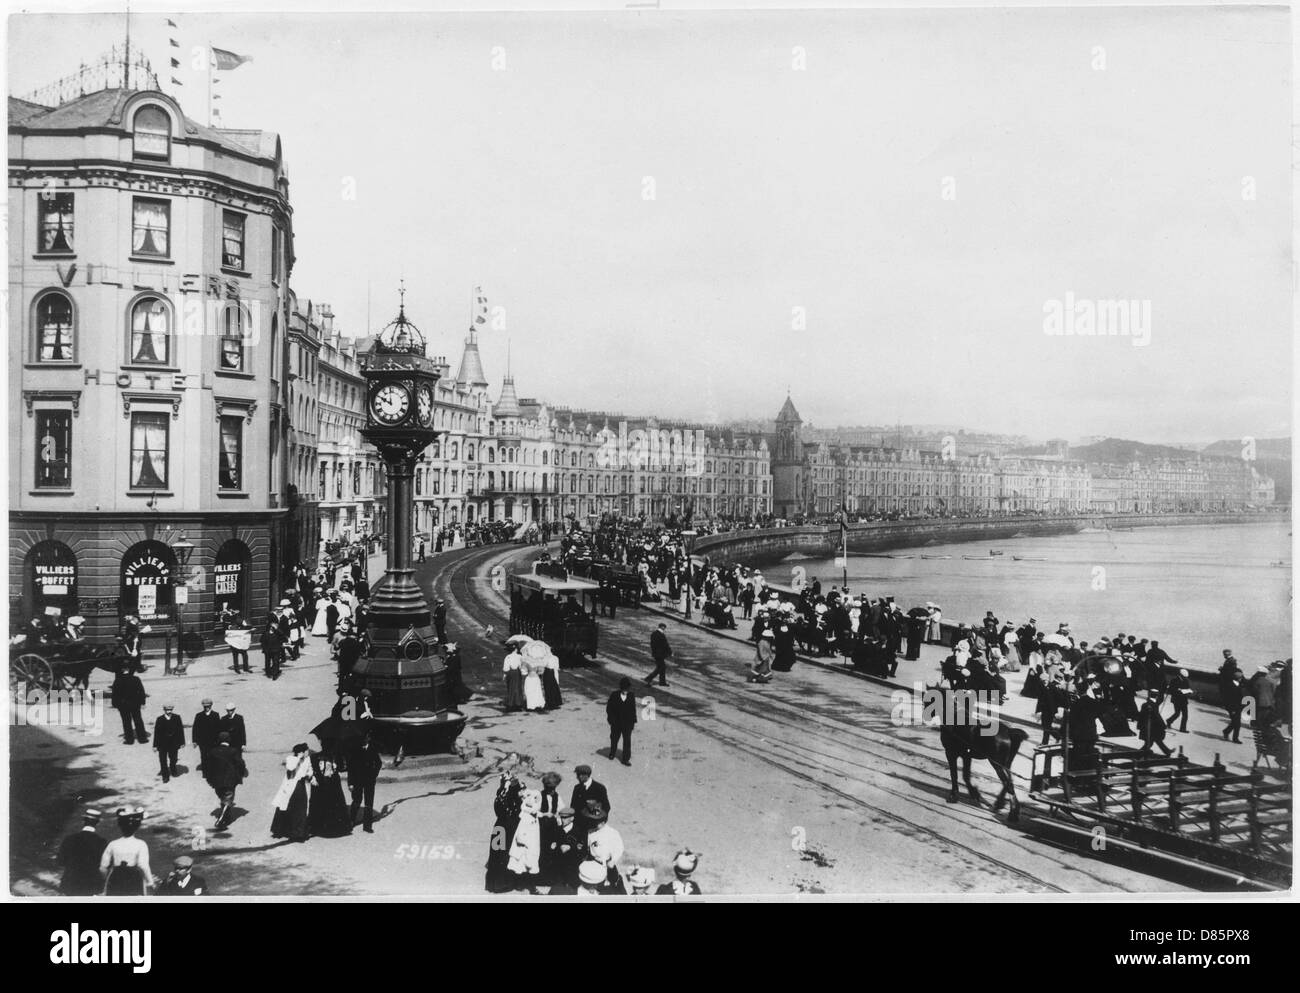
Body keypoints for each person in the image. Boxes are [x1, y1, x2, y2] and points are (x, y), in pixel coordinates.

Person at [100, 808, 154, 896]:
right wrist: (150, 882)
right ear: (136, 827)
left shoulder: (113, 844)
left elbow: (103, 867)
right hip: (133, 879)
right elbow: (142, 865)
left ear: (121, 826)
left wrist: (107, 880)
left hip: (115, 878)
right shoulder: (140, 844)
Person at [485, 772, 523, 893]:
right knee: (503, 854)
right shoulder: (507, 796)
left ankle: (499, 883)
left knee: (500, 855)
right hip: (506, 828)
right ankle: (502, 883)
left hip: (501, 828)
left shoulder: (503, 796)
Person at [58, 807, 107, 896]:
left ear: (84, 820)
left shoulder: (69, 839)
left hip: (71, 882)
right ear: (97, 823)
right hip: (90, 884)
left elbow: (60, 861)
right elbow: (103, 866)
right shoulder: (101, 842)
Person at [204, 732, 247, 831]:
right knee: (228, 798)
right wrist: (242, 772)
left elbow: (207, 766)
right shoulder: (233, 751)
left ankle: (226, 817)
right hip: (230, 779)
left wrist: (209, 778)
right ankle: (221, 819)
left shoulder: (213, 751)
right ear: (229, 740)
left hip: (216, 780)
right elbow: (240, 763)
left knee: (223, 797)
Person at [271, 746, 314, 843]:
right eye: (306, 751)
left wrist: (309, 775)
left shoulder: (307, 760)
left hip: (300, 785)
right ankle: (283, 830)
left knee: (300, 808)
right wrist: (298, 758)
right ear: (301, 752)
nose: (308, 752)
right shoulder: (291, 759)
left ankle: (297, 833)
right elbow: (291, 767)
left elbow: (310, 770)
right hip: (290, 785)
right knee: (287, 807)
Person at [308, 750, 353, 838]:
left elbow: (341, 768)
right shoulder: (316, 757)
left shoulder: (334, 756)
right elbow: (314, 770)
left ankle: (332, 827)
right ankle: (319, 827)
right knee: (321, 804)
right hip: (322, 783)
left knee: (333, 805)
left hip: (332, 782)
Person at [507, 789, 543, 892]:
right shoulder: (526, 818)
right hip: (525, 846)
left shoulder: (533, 816)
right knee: (522, 864)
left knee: (528, 863)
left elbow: (538, 813)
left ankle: (523, 884)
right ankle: (525, 885)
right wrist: (527, 844)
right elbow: (520, 836)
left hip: (531, 844)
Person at [348, 735, 383, 833]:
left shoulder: (373, 749)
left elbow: (379, 763)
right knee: (356, 800)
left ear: (368, 738)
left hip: (369, 781)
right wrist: (350, 783)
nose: (363, 740)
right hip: (357, 780)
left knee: (369, 803)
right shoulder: (355, 749)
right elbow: (350, 768)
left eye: (365, 738)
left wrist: (374, 775)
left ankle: (367, 826)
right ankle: (351, 821)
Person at [569, 765, 610, 840]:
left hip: (594, 825)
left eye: (578, 775)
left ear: (585, 775)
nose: (577, 777)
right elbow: (573, 806)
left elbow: (606, 806)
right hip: (579, 824)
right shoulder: (577, 788)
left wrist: (601, 822)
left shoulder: (600, 788)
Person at [111, 666, 149, 745]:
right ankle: (142, 738)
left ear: (121, 670)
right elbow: (141, 691)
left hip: (123, 704)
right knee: (138, 720)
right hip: (135, 703)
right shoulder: (136, 679)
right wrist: (142, 702)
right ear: (129, 670)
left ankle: (129, 740)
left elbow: (115, 694)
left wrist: (115, 704)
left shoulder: (118, 680)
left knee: (126, 722)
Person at [606, 676, 637, 766]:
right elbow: (609, 708)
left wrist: (633, 722)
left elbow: (633, 710)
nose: (626, 690)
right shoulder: (614, 695)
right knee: (614, 738)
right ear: (621, 687)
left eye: (627, 688)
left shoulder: (631, 696)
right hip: (616, 723)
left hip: (627, 723)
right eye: (624, 688)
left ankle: (625, 759)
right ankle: (612, 753)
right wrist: (611, 720)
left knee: (627, 741)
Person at [153, 704, 185, 783]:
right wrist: (155, 745)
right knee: (162, 760)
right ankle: (165, 776)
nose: (169, 712)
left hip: (173, 743)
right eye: (167, 710)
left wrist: (182, 742)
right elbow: (157, 733)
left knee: (173, 758)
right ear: (164, 710)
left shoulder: (177, 718)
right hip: (162, 743)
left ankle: (173, 769)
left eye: (170, 710)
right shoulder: (160, 719)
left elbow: (180, 730)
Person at [192, 698, 220, 773]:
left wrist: (219, 740)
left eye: (208, 706)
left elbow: (218, 729)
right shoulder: (199, 716)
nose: (207, 708)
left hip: (213, 741)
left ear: (211, 706)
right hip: (202, 741)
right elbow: (195, 729)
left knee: (212, 756)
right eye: (205, 706)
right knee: (204, 756)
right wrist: (195, 741)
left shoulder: (215, 715)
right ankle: (205, 772)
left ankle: (212, 771)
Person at [521, 640, 548, 712]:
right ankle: (538, 705)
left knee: (529, 692)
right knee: (537, 692)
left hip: (529, 678)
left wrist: (526, 669)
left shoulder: (526, 661)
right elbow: (541, 672)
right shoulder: (538, 661)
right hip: (536, 678)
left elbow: (523, 672)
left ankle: (531, 706)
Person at [1165, 669, 1191, 733]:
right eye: (1183, 677)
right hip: (1177, 699)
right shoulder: (1174, 680)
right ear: (1180, 675)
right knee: (1177, 713)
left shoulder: (1186, 680)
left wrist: (1188, 691)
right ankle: (1169, 721)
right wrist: (1178, 690)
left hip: (1184, 700)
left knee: (1185, 714)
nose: (1185, 678)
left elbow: (1187, 688)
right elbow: (1171, 690)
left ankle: (1182, 728)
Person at [502, 643, 526, 712]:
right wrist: (523, 672)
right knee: (518, 688)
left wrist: (505, 674)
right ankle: (518, 705)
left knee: (511, 688)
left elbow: (506, 668)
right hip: (517, 673)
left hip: (511, 673)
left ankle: (510, 705)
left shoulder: (508, 657)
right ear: (515, 649)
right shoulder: (519, 657)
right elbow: (521, 666)